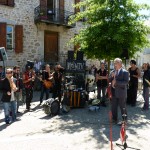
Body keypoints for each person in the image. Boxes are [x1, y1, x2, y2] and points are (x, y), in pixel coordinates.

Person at [109, 58, 129, 124]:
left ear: (120, 63)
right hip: (114, 92)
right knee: (113, 107)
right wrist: (111, 77)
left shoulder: (125, 72)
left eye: (116, 63)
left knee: (122, 107)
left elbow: (126, 82)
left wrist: (116, 82)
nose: (115, 64)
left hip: (121, 93)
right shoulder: (113, 71)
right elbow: (109, 80)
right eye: (114, 63)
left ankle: (124, 120)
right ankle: (114, 119)